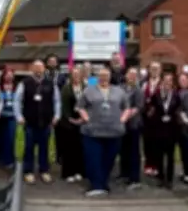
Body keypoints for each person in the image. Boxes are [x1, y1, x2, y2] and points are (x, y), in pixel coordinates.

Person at [76, 66, 130, 197]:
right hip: (92, 131)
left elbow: (126, 107)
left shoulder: (119, 91)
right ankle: (96, 185)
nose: (104, 78)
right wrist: (86, 118)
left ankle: (103, 183)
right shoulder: (89, 90)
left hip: (114, 131)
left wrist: (123, 119)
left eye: (106, 75)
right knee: (93, 159)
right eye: (101, 75)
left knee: (109, 159)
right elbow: (79, 106)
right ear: (97, 77)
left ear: (110, 77)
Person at [14, 59, 61, 184]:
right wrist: (19, 116)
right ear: (32, 69)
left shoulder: (50, 83)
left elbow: (57, 101)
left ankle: (44, 170)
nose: (38, 70)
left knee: (44, 147)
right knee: (29, 147)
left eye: (40, 67)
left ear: (44, 69)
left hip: (46, 122)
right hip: (29, 122)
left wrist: (56, 115)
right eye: (36, 67)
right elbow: (17, 100)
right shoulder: (25, 83)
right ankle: (28, 171)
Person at [148, 73, 181, 188]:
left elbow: (178, 111)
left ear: (172, 82)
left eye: (170, 80)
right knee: (159, 155)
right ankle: (161, 177)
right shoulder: (155, 95)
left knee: (170, 156)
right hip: (159, 129)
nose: (167, 83)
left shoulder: (176, 96)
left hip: (172, 129)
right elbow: (151, 111)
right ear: (161, 82)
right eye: (165, 80)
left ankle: (170, 179)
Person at [57, 67, 85, 182]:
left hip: (83, 122)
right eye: (74, 74)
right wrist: (71, 119)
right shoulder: (66, 88)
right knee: (69, 149)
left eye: (78, 74)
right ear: (71, 76)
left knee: (80, 148)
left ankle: (79, 171)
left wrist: (82, 119)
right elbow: (64, 106)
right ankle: (68, 173)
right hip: (68, 123)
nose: (76, 76)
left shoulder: (86, 88)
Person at [119, 67, 144, 189]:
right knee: (124, 149)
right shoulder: (121, 88)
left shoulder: (138, 90)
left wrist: (126, 115)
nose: (132, 77)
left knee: (134, 151)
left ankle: (135, 178)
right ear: (126, 75)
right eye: (130, 74)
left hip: (133, 123)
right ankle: (124, 173)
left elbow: (138, 106)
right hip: (122, 124)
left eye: (135, 75)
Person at [141, 61, 163, 176]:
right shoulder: (144, 83)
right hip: (146, 118)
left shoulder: (163, 83)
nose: (154, 70)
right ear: (149, 70)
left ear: (160, 70)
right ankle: (148, 165)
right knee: (147, 141)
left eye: (156, 68)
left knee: (158, 142)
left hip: (159, 118)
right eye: (152, 68)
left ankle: (157, 166)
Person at [45, 54, 67, 165]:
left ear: (57, 63)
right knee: (45, 134)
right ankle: (44, 157)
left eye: (54, 61)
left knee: (60, 134)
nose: (52, 63)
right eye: (50, 61)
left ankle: (59, 156)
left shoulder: (62, 76)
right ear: (47, 63)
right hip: (46, 108)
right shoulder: (43, 75)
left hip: (58, 108)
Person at [0, 67, 18, 170]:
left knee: (10, 138)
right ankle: (1, 159)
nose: (9, 76)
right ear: (3, 76)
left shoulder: (16, 87)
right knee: (1, 138)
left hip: (12, 117)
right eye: (7, 74)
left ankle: (10, 160)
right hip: (1, 117)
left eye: (11, 74)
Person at [175, 71, 188, 184]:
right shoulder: (176, 93)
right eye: (181, 80)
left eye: (185, 80)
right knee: (183, 151)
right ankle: (186, 172)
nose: (183, 82)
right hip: (178, 126)